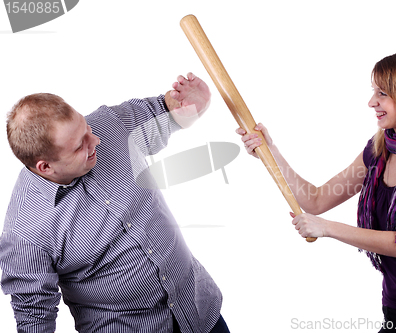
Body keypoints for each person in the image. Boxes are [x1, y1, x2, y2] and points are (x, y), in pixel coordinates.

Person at [237, 50, 396, 332]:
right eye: (373, 91)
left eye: (382, 93)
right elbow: (316, 200)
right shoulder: (378, 151)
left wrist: (327, 228)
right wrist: (272, 153)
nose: (371, 102)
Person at [0, 73, 230, 333]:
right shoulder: (24, 232)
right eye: (79, 146)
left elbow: (167, 112)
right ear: (45, 166)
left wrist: (190, 106)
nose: (95, 140)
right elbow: (34, 320)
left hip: (198, 310)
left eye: (86, 127)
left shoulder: (108, 124)